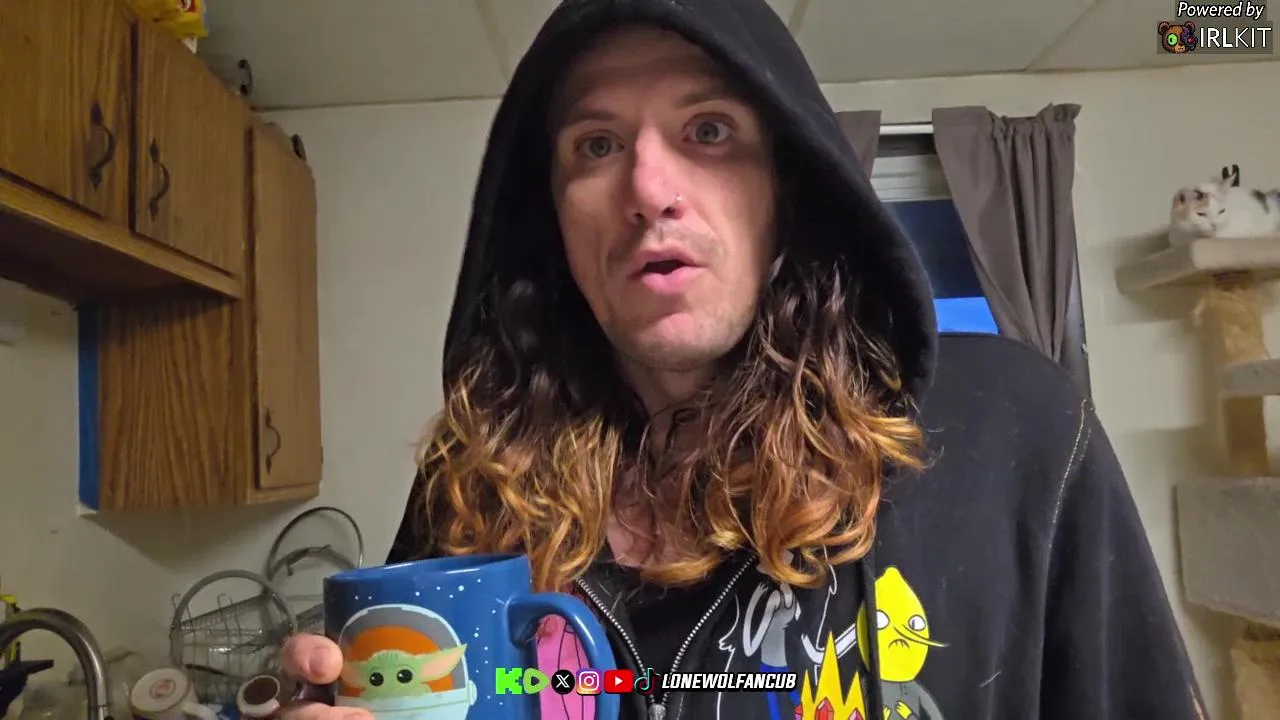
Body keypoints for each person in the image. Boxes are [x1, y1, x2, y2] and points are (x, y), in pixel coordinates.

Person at [278, 1, 1208, 719]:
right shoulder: (472, 484)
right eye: (596, 145)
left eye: (709, 131)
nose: (649, 188)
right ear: (551, 219)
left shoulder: (1012, 432)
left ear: (786, 190)